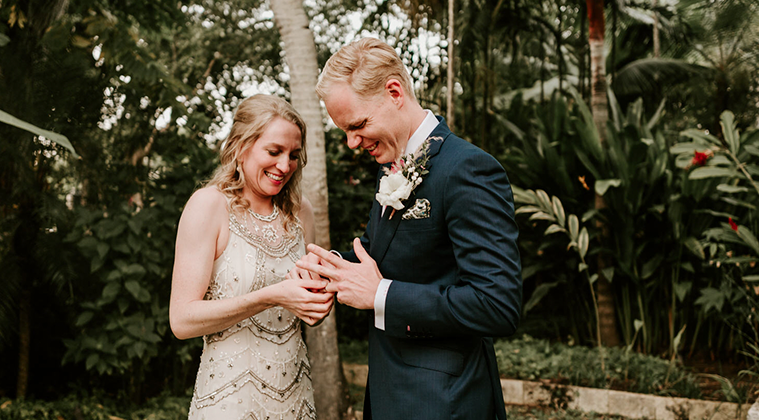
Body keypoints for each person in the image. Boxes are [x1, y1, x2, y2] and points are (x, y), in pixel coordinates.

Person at [290, 38, 523, 420]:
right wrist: (330, 268)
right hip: (390, 396)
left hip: (444, 403)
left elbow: (497, 304)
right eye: (344, 131)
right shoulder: (391, 169)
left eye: (359, 125)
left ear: (394, 92)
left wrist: (382, 295)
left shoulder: (467, 169)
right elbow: (378, 256)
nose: (351, 143)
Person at [170, 94, 333, 420]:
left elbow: (305, 314)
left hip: (295, 397)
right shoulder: (209, 206)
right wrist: (271, 296)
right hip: (230, 400)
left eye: (294, 155)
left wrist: (318, 302)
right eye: (273, 152)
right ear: (241, 147)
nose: (284, 166)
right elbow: (182, 320)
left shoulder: (302, 213)